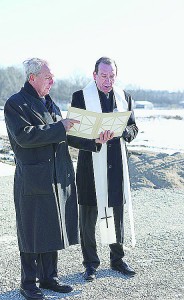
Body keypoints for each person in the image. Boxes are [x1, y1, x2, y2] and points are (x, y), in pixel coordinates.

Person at [4, 58, 81, 300]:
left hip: (55, 175)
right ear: (32, 78)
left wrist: (93, 140)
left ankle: (49, 277)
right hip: (33, 178)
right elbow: (24, 136)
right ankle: (28, 283)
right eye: (48, 77)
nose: (52, 81)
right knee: (31, 229)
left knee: (51, 225)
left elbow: (62, 137)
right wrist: (61, 127)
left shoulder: (50, 104)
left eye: (52, 77)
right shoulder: (15, 104)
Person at [70, 56, 138, 281]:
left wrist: (126, 134)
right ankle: (90, 263)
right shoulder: (80, 97)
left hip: (116, 165)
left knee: (114, 214)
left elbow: (133, 126)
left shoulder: (124, 97)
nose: (108, 80)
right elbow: (71, 136)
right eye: (104, 76)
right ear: (94, 75)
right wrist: (95, 141)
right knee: (89, 217)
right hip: (90, 166)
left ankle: (117, 259)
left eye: (112, 76)